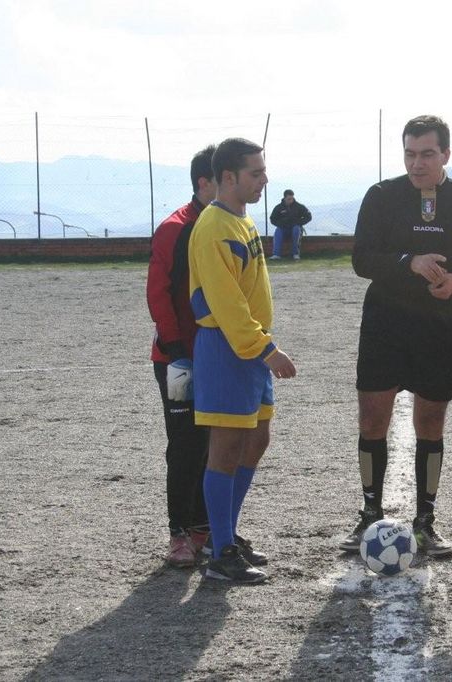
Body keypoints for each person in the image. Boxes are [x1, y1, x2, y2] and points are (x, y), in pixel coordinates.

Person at [338, 114, 452, 559]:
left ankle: (426, 521)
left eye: (427, 154)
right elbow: (361, 259)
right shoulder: (381, 196)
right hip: (385, 324)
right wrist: (409, 261)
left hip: (439, 327)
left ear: (446, 154)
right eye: (410, 154)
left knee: (430, 422)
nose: (417, 163)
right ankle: (370, 514)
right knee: (372, 420)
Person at [188, 137, 297, 584]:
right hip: (227, 349)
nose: (264, 179)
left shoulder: (242, 219)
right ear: (228, 177)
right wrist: (266, 350)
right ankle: (220, 554)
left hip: (250, 348)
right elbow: (227, 304)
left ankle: (224, 535)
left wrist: (262, 345)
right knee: (227, 448)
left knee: (257, 439)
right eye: (255, 172)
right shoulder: (213, 227)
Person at [147, 144, 219, 567]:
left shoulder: (231, 225)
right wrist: (177, 352)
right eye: (226, 178)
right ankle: (178, 533)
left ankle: (205, 528)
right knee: (186, 445)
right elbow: (158, 294)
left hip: (220, 356)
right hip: (180, 359)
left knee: (216, 442)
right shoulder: (175, 228)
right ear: (204, 183)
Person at [269, 189, 312, 260]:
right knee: (278, 230)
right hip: (284, 228)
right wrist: (280, 224)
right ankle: (276, 254)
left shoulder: (299, 206)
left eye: (292, 198)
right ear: (284, 198)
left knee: (296, 229)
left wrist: (299, 222)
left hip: (296, 228)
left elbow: (309, 216)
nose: (290, 200)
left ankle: (295, 254)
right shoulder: (278, 207)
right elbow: (272, 219)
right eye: (288, 199)